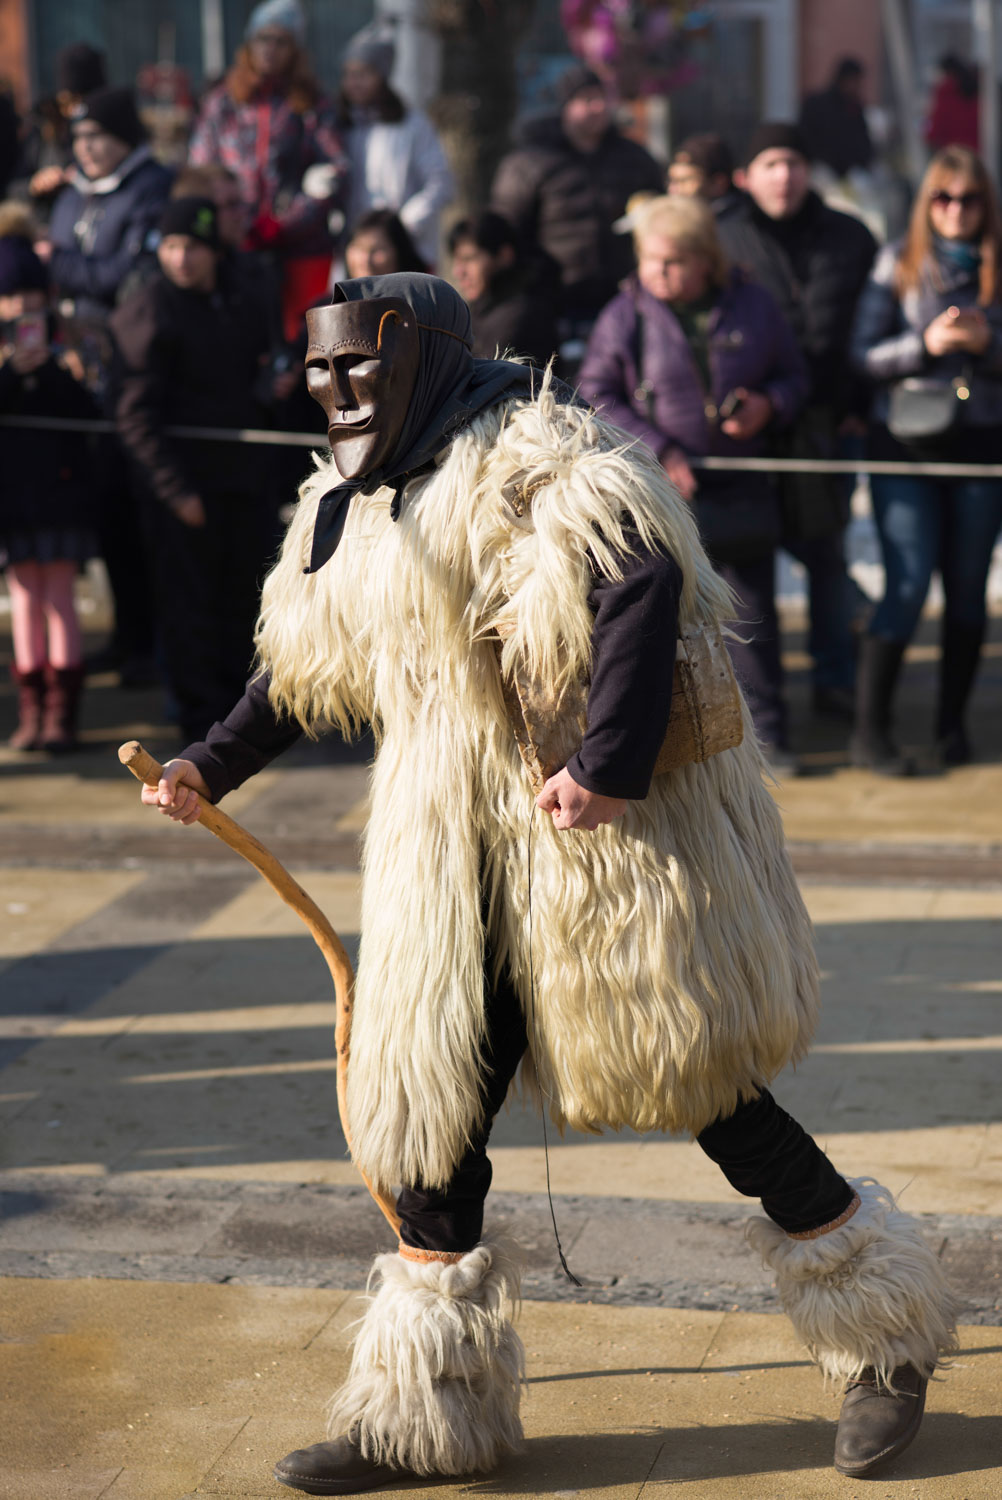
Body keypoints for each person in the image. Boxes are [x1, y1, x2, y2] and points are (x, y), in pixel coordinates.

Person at [140, 271, 957, 1493]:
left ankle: (886, 1338)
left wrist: (607, 771)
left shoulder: (538, 456)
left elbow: (640, 583)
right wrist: (211, 762)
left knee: (710, 1093)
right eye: (318, 370)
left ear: (420, 351)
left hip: (589, 851)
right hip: (447, 865)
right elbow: (299, 661)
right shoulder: (353, 502)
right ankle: (424, 1413)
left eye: (358, 364)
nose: (335, 390)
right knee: (430, 1127)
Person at [578, 194, 807, 769]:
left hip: (742, 480)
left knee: (751, 612)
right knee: (670, 616)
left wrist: (768, 404)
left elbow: (794, 375)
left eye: (674, 261)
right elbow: (595, 393)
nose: (659, 272)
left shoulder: (753, 303)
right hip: (665, 491)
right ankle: (678, 738)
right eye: (651, 259)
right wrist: (662, 451)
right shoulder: (624, 313)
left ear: (706, 258)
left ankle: (767, 734)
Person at [109, 197, 287, 743]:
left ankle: (242, 727)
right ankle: (198, 725)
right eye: (170, 246)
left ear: (213, 250)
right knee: (188, 613)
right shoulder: (149, 309)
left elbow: (262, 365)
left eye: (191, 246)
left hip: (243, 483)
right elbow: (133, 415)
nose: (181, 258)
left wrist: (271, 389)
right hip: (183, 493)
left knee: (245, 605)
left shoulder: (243, 295)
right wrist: (174, 491)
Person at [849, 145, 1002, 773]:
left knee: (968, 593)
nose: (956, 211)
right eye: (943, 197)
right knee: (906, 587)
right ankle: (870, 733)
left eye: (968, 199)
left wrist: (988, 344)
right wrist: (926, 344)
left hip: (982, 442)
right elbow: (861, 356)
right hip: (904, 443)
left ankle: (952, 729)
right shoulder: (898, 264)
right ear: (926, 204)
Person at [719, 122, 877, 719]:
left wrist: (859, 407)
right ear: (745, 176)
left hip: (828, 423)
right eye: (770, 164)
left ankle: (836, 682)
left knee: (827, 556)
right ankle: (762, 706)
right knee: (749, 566)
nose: (784, 175)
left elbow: (870, 325)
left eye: (793, 162)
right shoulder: (723, 239)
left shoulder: (851, 236)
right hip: (747, 431)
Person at [187, 0, 349, 340]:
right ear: (249, 43)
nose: (271, 49)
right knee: (239, 339)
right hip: (235, 245)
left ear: (295, 49)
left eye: (281, 41)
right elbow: (200, 171)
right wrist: (227, 221)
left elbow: (335, 170)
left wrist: (284, 223)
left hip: (300, 248)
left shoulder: (311, 103)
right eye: (264, 39)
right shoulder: (223, 102)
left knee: (309, 344)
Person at [0, 204, 97, 751]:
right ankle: (30, 710)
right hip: (12, 498)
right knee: (23, 599)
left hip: (60, 492)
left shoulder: (68, 346)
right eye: (10, 296)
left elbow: (88, 415)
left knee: (59, 597)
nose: (19, 307)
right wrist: (12, 374)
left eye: (27, 296)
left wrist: (55, 371)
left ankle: (62, 714)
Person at [489, 64, 664, 348]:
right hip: (554, 302)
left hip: (624, 297)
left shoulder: (635, 158)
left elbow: (662, 215)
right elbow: (507, 229)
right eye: (586, 100)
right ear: (565, 107)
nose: (597, 107)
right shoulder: (531, 162)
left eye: (601, 98)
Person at [336, 21, 454, 271]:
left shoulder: (411, 125)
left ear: (382, 76)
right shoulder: (341, 126)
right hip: (359, 257)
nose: (353, 83)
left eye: (363, 74)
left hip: (406, 251)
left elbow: (440, 182)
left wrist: (403, 224)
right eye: (348, 74)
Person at [448, 209, 559, 367]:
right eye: (457, 261)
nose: (458, 272)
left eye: (469, 259)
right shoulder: (478, 311)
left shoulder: (521, 316)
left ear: (504, 256)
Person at [10, 43, 107, 221]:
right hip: (47, 223)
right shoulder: (44, 130)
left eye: (82, 102)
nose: (74, 111)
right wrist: (36, 184)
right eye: (68, 102)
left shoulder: (112, 131)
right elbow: (15, 189)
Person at [798, 58, 873, 181]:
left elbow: (862, 141)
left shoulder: (854, 107)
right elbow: (808, 137)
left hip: (849, 174)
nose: (857, 86)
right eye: (854, 80)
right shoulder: (818, 104)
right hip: (821, 172)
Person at [667, 132, 744, 223]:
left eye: (684, 180)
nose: (673, 189)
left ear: (718, 183)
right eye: (672, 180)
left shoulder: (739, 227)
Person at [343, 207, 427, 279]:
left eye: (377, 249)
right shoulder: (337, 297)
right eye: (359, 247)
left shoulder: (422, 296)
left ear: (400, 252)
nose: (365, 260)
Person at [925, 54, 980, 154]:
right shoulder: (977, 87)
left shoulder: (944, 93)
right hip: (981, 152)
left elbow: (935, 131)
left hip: (956, 154)